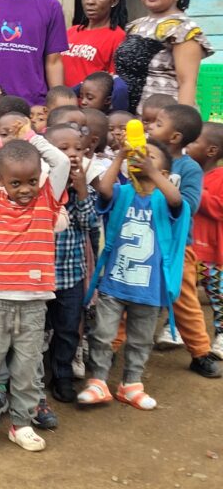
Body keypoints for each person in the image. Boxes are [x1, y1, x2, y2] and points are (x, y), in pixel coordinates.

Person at [0, 120, 70, 452]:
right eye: (16, 182)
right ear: (0, 180)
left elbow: (60, 162)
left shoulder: (47, 200)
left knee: (27, 368)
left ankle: (21, 424)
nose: (25, 189)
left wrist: (32, 138)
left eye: (32, 181)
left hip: (34, 303)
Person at [78, 140, 189, 410]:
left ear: (164, 174)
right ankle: (98, 381)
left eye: (150, 157)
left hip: (150, 288)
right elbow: (103, 191)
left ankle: (131, 383)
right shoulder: (122, 192)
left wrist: (151, 172)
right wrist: (120, 158)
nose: (142, 158)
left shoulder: (166, 200)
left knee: (140, 339)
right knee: (102, 335)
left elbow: (177, 200)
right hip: (114, 282)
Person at [147, 105, 221, 377]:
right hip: (144, 242)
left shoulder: (188, 168)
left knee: (185, 300)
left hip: (178, 247)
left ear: (174, 137)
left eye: (157, 124)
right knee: (129, 299)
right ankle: (109, 350)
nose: (149, 127)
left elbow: (189, 205)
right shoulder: (144, 156)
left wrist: (154, 176)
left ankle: (200, 352)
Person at [115, 0, 214, 112]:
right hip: (127, 119)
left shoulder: (183, 29)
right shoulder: (135, 26)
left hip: (161, 122)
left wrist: (180, 126)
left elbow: (187, 82)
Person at [44, 124, 98, 403]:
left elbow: (89, 223)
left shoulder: (82, 187)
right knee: (37, 329)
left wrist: (81, 190)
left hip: (70, 274)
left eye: (78, 148)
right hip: (38, 275)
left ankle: (63, 376)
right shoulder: (38, 185)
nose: (72, 154)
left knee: (67, 329)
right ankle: (37, 374)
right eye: (63, 149)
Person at [186, 122, 223, 359]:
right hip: (188, 247)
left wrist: (195, 191)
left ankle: (222, 334)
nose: (188, 146)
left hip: (211, 251)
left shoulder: (219, 177)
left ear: (211, 150)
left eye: (194, 142)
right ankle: (175, 329)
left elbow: (220, 207)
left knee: (217, 293)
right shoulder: (189, 171)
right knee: (184, 291)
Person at [62, 0, 127, 88]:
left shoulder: (118, 37)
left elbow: (112, 84)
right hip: (61, 105)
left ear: (114, 1)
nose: (90, 1)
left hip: (90, 107)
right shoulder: (70, 32)